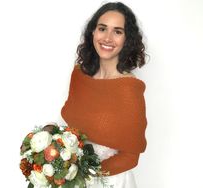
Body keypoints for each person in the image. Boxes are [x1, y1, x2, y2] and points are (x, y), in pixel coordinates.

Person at [61, 2, 148, 188]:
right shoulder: (79, 74)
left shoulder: (129, 89)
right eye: (102, 29)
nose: (107, 38)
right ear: (93, 32)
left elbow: (130, 158)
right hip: (72, 178)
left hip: (110, 182)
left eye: (117, 31)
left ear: (127, 39)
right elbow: (72, 126)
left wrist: (84, 174)